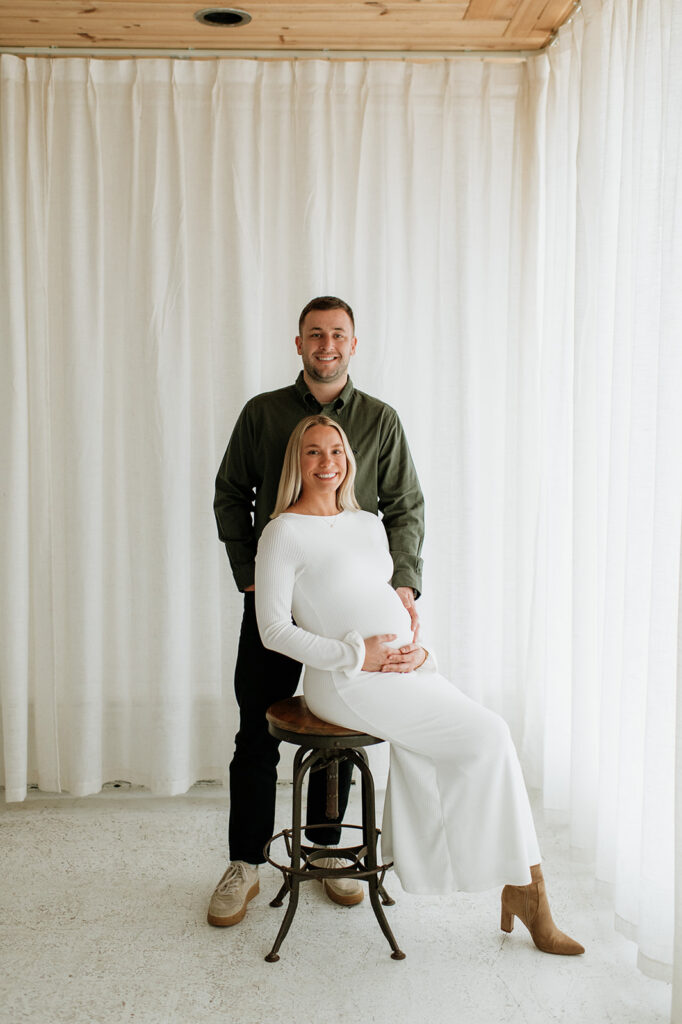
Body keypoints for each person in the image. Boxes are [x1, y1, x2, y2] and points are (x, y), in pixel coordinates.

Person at [254, 414, 585, 956]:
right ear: (297, 461)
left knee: (493, 737)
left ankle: (526, 890)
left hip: (403, 669)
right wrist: (356, 655)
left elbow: (385, 598)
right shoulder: (282, 532)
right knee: (489, 735)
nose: (326, 463)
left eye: (335, 451)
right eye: (313, 452)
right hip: (342, 683)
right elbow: (273, 631)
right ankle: (530, 894)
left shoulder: (365, 523)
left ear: (348, 459)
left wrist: (419, 649)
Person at [210, 297, 424, 927]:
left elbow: (405, 506)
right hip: (276, 603)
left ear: (353, 344)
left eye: (338, 335)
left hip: (350, 613)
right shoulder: (263, 413)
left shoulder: (380, 420)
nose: (326, 344)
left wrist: (404, 587)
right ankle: (244, 864)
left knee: (339, 726)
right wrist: (253, 579)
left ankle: (329, 850)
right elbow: (230, 495)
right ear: (297, 342)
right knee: (256, 730)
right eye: (315, 335)